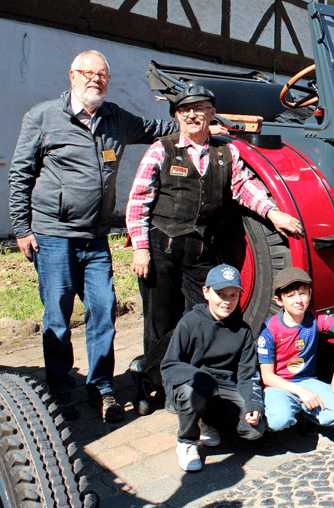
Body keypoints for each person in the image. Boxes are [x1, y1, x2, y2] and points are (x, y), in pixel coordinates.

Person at [8, 50, 180, 423]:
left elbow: (155, 128)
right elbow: (20, 175)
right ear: (72, 75)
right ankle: (59, 390)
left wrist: (195, 124)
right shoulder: (43, 117)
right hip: (53, 236)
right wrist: (22, 228)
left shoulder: (115, 118)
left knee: (103, 312)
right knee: (57, 317)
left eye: (102, 75)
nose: (95, 80)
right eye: (88, 73)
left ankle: (101, 387)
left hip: (95, 238)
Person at [126, 85, 303, 414]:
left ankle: (159, 372)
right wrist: (140, 249)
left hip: (202, 249)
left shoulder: (225, 153)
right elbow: (138, 202)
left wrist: (272, 212)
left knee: (202, 318)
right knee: (160, 321)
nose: (192, 115)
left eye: (200, 108)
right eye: (185, 110)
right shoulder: (161, 150)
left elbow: (243, 187)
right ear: (177, 115)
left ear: (211, 113)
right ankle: (151, 383)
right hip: (162, 245)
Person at [161, 264, 265, 471]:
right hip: (192, 383)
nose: (226, 301)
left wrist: (254, 404)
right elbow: (169, 365)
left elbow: (248, 373)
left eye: (233, 295)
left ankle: (208, 420)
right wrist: (198, 377)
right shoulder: (189, 323)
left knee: (255, 431)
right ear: (206, 292)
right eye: (220, 294)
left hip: (224, 386)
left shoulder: (242, 330)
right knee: (194, 393)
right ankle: (187, 441)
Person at [257, 267, 334, 433]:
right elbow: (267, 377)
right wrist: (301, 392)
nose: (298, 300)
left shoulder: (317, 320)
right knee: (278, 421)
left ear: (310, 294)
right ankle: (280, 413)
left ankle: (306, 413)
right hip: (279, 384)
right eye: (290, 296)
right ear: (279, 300)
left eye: (303, 293)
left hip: (307, 380)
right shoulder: (269, 330)